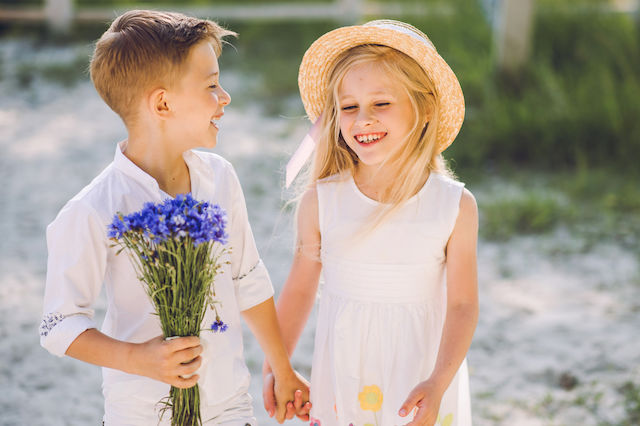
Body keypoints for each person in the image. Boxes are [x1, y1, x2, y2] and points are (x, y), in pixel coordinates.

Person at [39, 10, 308, 425]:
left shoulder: (220, 178)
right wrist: (139, 358)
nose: (225, 97)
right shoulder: (93, 208)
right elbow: (58, 324)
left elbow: (246, 278)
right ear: (163, 103)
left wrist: (282, 368)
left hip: (229, 407)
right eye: (212, 85)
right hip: (142, 414)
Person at [263, 20, 478, 425]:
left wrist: (438, 382)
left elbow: (464, 304)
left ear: (426, 107)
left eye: (381, 104)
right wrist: (277, 365)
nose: (363, 119)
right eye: (348, 107)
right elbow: (299, 290)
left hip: (423, 378)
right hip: (345, 373)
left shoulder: (454, 205)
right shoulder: (321, 202)